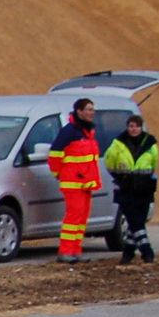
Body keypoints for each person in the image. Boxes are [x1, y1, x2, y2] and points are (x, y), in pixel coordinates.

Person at [48, 97, 102, 262]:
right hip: (73, 183)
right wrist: (60, 174)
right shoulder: (69, 131)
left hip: (86, 182)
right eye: (88, 109)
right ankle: (65, 252)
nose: (91, 113)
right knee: (73, 218)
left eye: (92, 110)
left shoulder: (87, 132)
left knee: (81, 218)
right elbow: (55, 156)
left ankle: (75, 250)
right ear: (79, 111)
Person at [105, 114, 158, 263]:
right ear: (127, 127)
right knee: (136, 222)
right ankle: (147, 250)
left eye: (136, 126)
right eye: (131, 126)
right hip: (125, 189)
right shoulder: (118, 144)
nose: (133, 129)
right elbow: (109, 162)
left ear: (141, 128)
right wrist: (120, 177)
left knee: (136, 223)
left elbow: (153, 164)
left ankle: (128, 254)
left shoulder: (150, 144)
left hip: (144, 189)